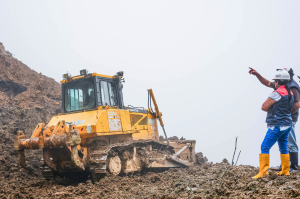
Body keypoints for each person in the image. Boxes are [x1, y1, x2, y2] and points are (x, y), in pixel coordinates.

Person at [249, 68, 300, 172]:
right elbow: (267, 83)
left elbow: (297, 104)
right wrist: (257, 74)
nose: (275, 82)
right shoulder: (283, 85)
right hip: (285, 118)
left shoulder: (292, 87)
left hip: (288, 118)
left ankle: (294, 166)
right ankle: (285, 167)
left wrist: (286, 114)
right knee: (284, 144)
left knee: (289, 142)